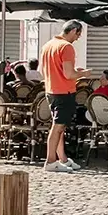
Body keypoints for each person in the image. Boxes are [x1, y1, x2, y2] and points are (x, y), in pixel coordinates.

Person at [40, 21, 95, 173]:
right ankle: (51, 161)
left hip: (51, 89)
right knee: (58, 127)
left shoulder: (48, 45)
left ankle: (62, 159)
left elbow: (43, 71)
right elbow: (69, 74)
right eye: (78, 34)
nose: (78, 37)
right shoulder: (66, 47)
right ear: (73, 30)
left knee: (59, 126)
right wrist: (83, 74)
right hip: (64, 91)